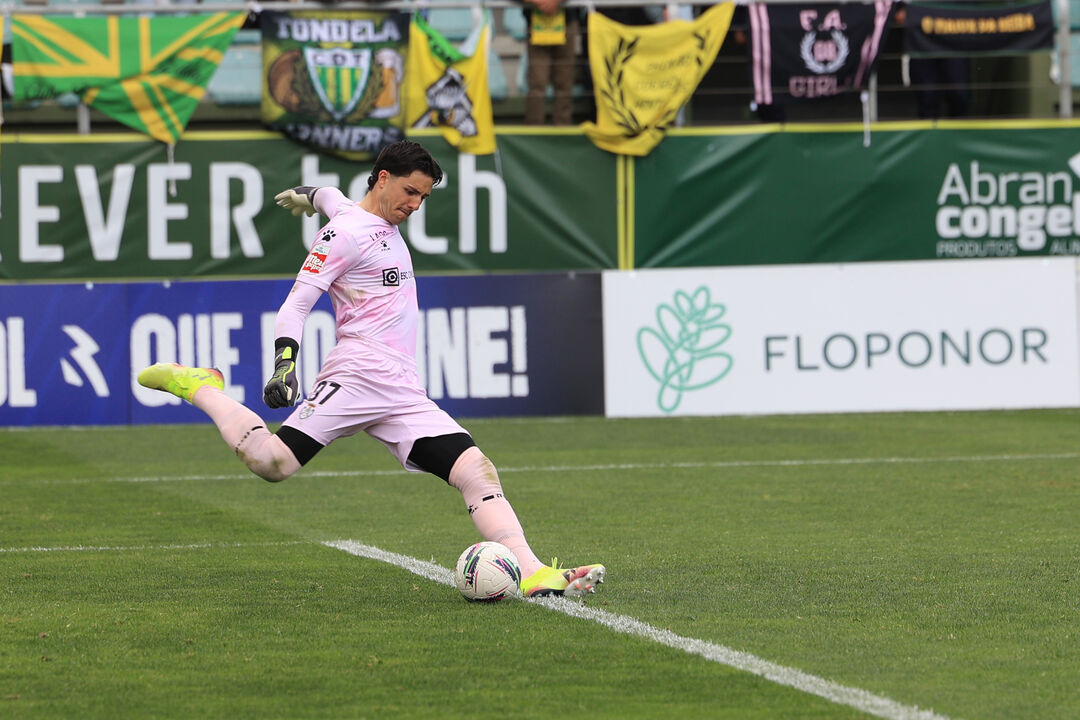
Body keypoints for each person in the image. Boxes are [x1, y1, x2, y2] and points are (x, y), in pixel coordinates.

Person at [137, 140, 604, 599]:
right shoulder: (343, 234)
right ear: (383, 178)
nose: (416, 205)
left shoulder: (353, 212)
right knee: (271, 462)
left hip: (402, 388)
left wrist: (309, 193)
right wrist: (285, 364)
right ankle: (200, 386)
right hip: (358, 376)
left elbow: (330, 197)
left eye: (423, 197)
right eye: (411, 192)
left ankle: (534, 571)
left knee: (475, 470)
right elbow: (295, 306)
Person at [519, 0, 583, 125]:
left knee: (564, 82)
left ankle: (563, 129)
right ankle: (533, 130)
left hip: (567, 22)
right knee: (537, 83)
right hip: (535, 24)